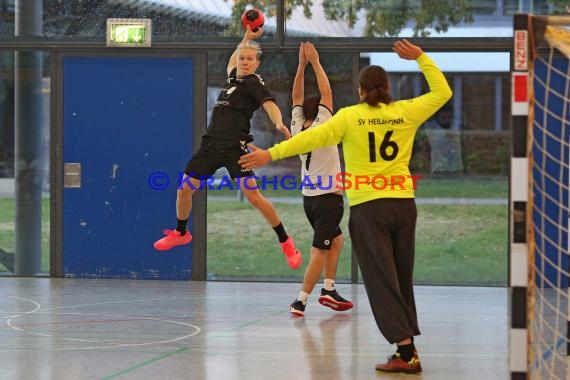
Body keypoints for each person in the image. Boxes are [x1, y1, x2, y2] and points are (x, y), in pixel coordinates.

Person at [239, 39, 452, 374]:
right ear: (387, 88)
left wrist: (270, 154)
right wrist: (422, 58)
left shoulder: (350, 117)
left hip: (370, 210)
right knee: (400, 277)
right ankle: (407, 347)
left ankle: (405, 349)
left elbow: (308, 139)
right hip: (403, 207)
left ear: (361, 90)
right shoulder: (406, 112)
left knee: (381, 280)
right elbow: (442, 93)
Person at [154, 25, 302, 270]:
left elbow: (269, 104)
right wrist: (246, 38)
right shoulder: (234, 79)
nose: (244, 61)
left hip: (235, 148)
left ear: (256, 64)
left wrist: (278, 122)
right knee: (183, 191)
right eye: (242, 58)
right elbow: (232, 61)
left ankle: (286, 242)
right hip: (211, 146)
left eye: (249, 59)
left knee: (254, 197)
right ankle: (181, 233)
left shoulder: (253, 83)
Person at [288, 42, 352, 317]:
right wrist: (314, 62)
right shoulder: (324, 124)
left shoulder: (296, 125)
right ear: (323, 110)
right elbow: (327, 91)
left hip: (309, 202)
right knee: (319, 250)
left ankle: (329, 288)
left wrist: (301, 66)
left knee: (336, 242)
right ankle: (301, 301)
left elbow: (296, 98)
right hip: (328, 201)